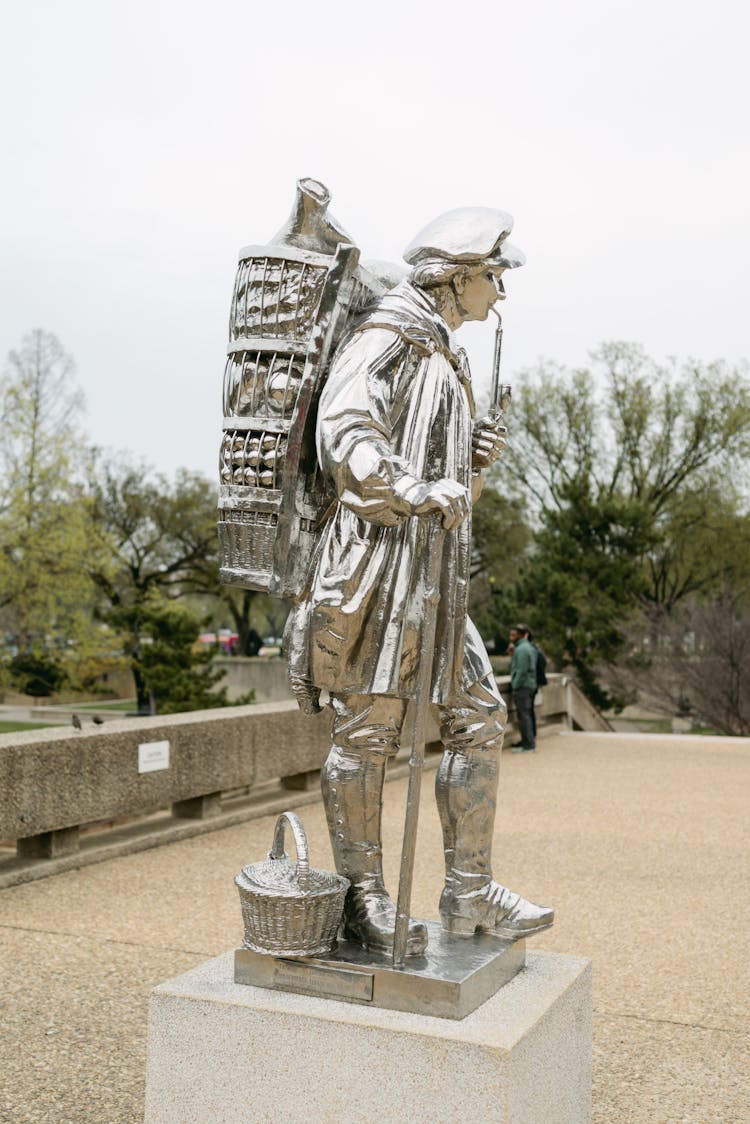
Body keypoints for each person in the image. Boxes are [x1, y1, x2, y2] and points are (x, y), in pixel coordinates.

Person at [286, 206, 553, 956]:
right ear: (458, 275)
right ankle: (362, 898)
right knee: (367, 731)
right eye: (493, 276)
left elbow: (444, 474)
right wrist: (410, 487)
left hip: (434, 573)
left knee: (479, 714)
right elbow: (347, 434)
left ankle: (468, 892)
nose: (499, 293)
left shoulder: (445, 354)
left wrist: (470, 460)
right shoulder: (388, 337)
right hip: (377, 568)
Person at [509, 623, 537, 752]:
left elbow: (521, 670)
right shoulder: (527, 647)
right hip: (530, 685)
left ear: (520, 635)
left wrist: (515, 685)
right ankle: (528, 742)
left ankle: (528, 745)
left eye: (513, 635)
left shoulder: (522, 649)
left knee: (524, 716)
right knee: (527, 715)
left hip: (523, 687)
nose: (511, 637)